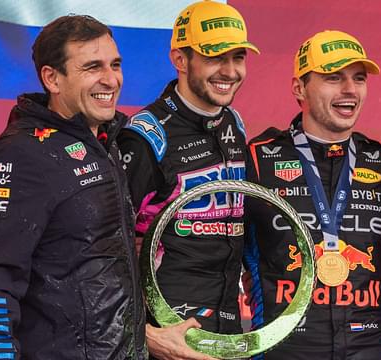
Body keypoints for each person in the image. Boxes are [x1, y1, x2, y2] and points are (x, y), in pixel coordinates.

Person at [244, 30, 381, 360]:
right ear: (299, 88)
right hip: (284, 350)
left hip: (367, 349)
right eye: (333, 77)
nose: (349, 89)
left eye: (358, 78)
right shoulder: (258, 161)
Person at [0, 15, 147, 359]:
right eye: (92, 67)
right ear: (52, 78)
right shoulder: (23, 153)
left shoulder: (107, 142)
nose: (111, 79)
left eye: (115, 64)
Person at [117, 1, 258, 358]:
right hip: (169, 333)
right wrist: (144, 333)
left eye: (238, 57)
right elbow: (106, 251)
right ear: (180, 60)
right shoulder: (147, 136)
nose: (230, 71)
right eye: (215, 58)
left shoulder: (233, 124)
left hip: (226, 328)